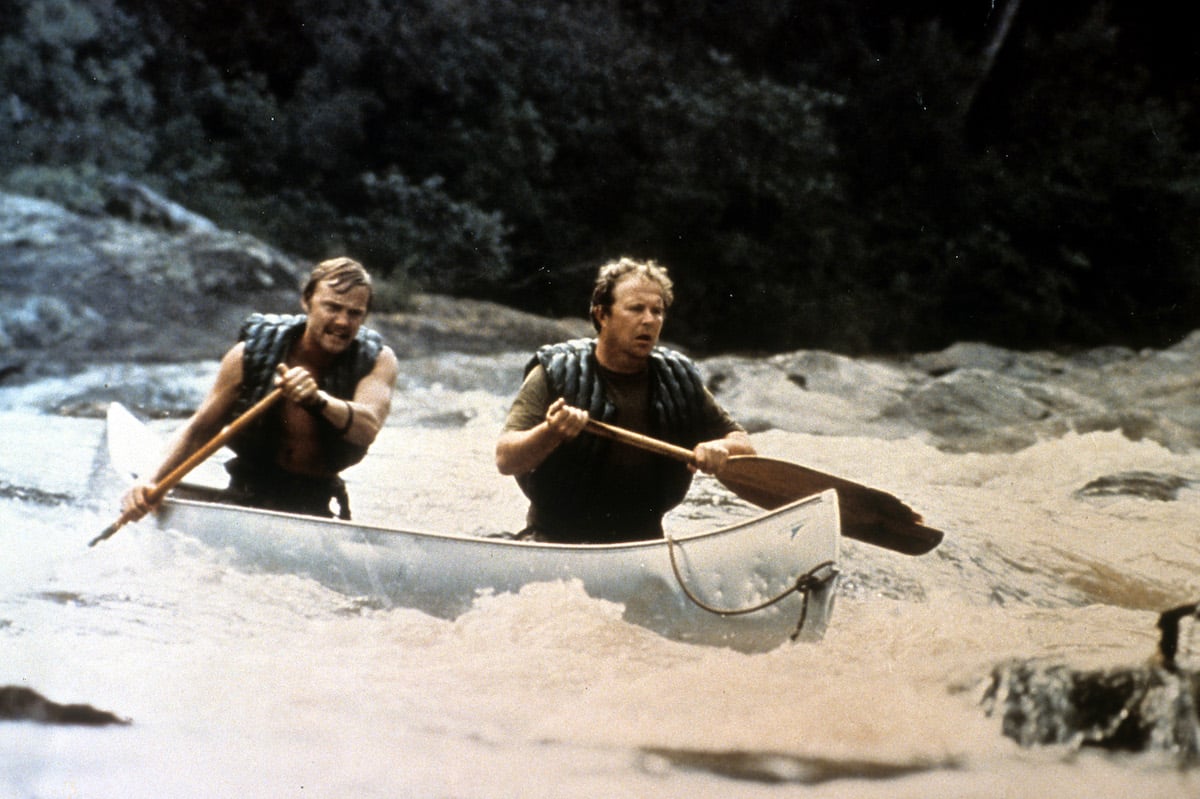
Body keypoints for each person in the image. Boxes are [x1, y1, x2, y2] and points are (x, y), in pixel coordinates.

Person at [495, 257, 754, 543]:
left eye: (657, 311)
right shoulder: (554, 372)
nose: (649, 320)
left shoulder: (678, 379)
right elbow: (506, 459)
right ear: (602, 315)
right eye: (635, 309)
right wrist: (551, 432)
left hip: (644, 544)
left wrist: (719, 447)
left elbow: (743, 445)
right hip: (553, 538)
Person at [121, 257, 399, 520]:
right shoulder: (249, 354)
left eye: (354, 313)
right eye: (332, 307)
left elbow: (367, 427)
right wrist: (150, 480)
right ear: (307, 302)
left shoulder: (377, 360)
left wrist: (318, 401)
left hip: (316, 498)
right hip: (248, 490)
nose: (342, 322)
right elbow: (199, 430)